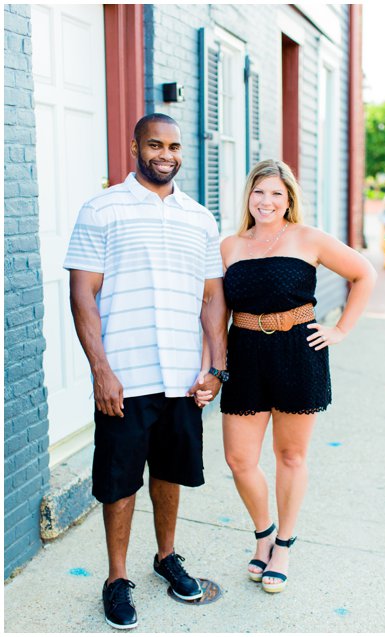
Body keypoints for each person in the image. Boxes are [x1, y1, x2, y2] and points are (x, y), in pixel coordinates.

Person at [65, 113, 228, 630]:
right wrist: (100, 370)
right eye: (155, 144)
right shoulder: (102, 208)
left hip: (182, 376)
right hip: (125, 375)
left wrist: (215, 369)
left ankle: (166, 557)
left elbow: (211, 299)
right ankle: (116, 578)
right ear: (135, 145)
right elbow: (82, 294)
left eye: (175, 146)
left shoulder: (200, 218)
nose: (166, 154)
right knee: (119, 482)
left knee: (170, 472)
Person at [198, 158, 375, 594]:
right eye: (260, 192)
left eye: (277, 193)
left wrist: (341, 329)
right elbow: (215, 312)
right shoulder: (229, 246)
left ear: (289, 198)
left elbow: (363, 273)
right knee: (239, 460)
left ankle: (284, 545)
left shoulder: (307, 238)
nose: (267, 201)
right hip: (245, 355)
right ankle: (263, 533)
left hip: (299, 352)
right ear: (249, 197)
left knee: (290, 456)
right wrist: (212, 368)